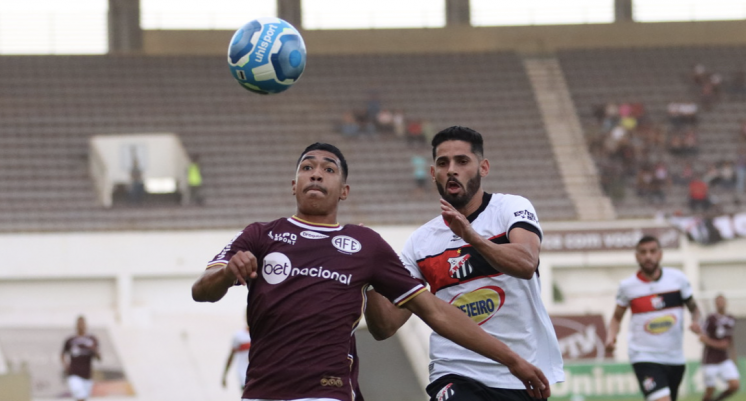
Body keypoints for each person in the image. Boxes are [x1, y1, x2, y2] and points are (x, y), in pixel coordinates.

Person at [192, 142, 550, 401]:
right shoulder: (260, 235)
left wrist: (512, 360)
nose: (316, 173)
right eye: (307, 167)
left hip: (326, 392)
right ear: (294, 184)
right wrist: (225, 274)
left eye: (328, 169)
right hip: (260, 392)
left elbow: (435, 311)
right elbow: (201, 291)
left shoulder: (365, 244)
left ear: (344, 191)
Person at [364, 126, 564, 401]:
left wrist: (472, 237)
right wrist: (371, 274)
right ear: (433, 173)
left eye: (462, 161)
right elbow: (385, 326)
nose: (451, 170)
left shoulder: (510, 208)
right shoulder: (420, 243)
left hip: (519, 374)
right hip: (454, 371)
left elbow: (526, 263)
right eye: (443, 163)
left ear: (483, 167)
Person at [605, 236, 702, 401]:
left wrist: (696, 322)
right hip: (644, 356)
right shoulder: (627, 286)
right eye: (643, 252)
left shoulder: (678, 280)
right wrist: (611, 337)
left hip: (675, 358)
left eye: (652, 251)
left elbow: (695, 309)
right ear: (637, 256)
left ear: (660, 254)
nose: (648, 256)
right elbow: (616, 317)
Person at [698, 294, 739, 401]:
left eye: (722, 301)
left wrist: (734, 357)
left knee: (735, 385)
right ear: (715, 304)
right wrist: (718, 344)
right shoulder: (711, 318)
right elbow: (702, 338)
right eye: (718, 302)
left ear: (726, 303)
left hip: (724, 359)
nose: (720, 304)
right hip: (710, 360)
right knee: (709, 392)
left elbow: (730, 340)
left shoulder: (731, 319)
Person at [61, 316, 102, 401]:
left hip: (87, 375)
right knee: (80, 397)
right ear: (76, 325)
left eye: (82, 324)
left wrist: (94, 349)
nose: (81, 326)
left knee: (83, 398)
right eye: (79, 324)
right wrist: (65, 365)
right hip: (74, 374)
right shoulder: (70, 340)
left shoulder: (92, 339)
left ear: (86, 325)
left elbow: (99, 358)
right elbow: (62, 354)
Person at [223, 325, 251, 390]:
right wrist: (225, 375)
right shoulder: (239, 336)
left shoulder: (262, 335)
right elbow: (231, 357)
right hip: (243, 372)